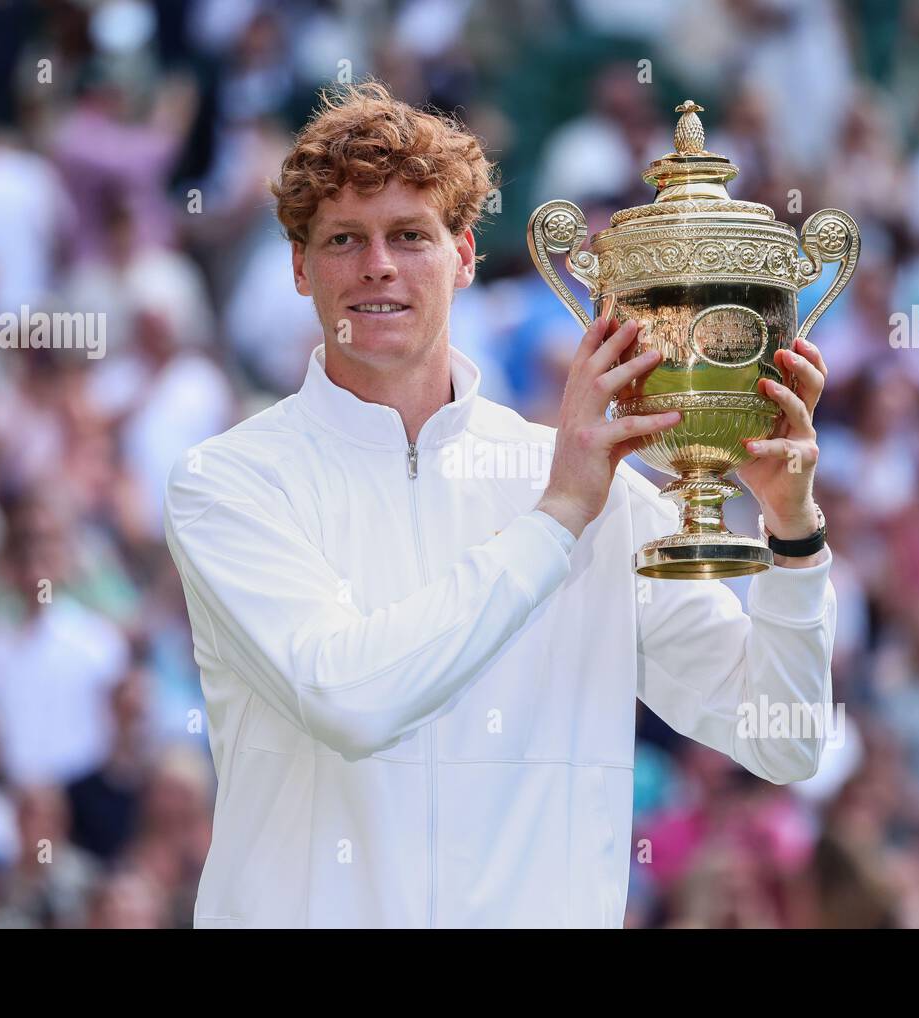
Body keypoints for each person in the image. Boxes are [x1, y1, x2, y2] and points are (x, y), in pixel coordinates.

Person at [163, 80, 838, 928]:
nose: (378, 265)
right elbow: (348, 697)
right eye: (344, 240)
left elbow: (783, 738)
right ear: (301, 267)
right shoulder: (227, 481)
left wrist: (793, 535)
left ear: (467, 256)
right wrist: (554, 520)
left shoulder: (595, 493)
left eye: (411, 235)